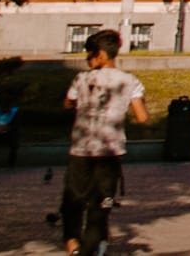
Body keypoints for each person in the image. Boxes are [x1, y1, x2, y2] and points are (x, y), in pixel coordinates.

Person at [61, 27, 148, 256]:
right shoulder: (129, 81)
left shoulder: (81, 79)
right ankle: (89, 250)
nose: (87, 60)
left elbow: (68, 103)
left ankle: (71, 242)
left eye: (89, 55)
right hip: (110, 151)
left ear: (99, 54)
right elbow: (142, 117)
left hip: (81, 149)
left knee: (73, 200)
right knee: (100, 206)